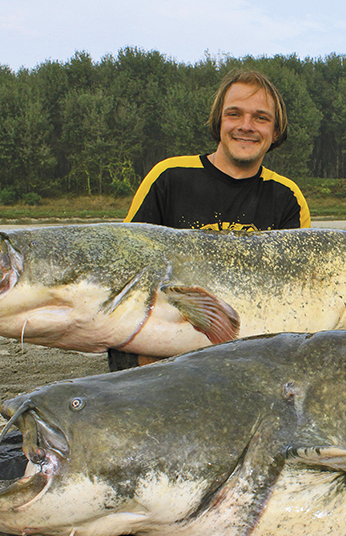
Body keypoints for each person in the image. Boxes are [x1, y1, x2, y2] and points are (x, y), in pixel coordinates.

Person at [110, 68, 311, 370]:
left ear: (276, 130)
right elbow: (124, 268)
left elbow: (295, 292)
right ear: (218, 121)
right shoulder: (169, 178)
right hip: (168, 332)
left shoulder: (287, 197)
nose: (246, 126)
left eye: (261, 117)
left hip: (249, 335)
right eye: (234, 114)